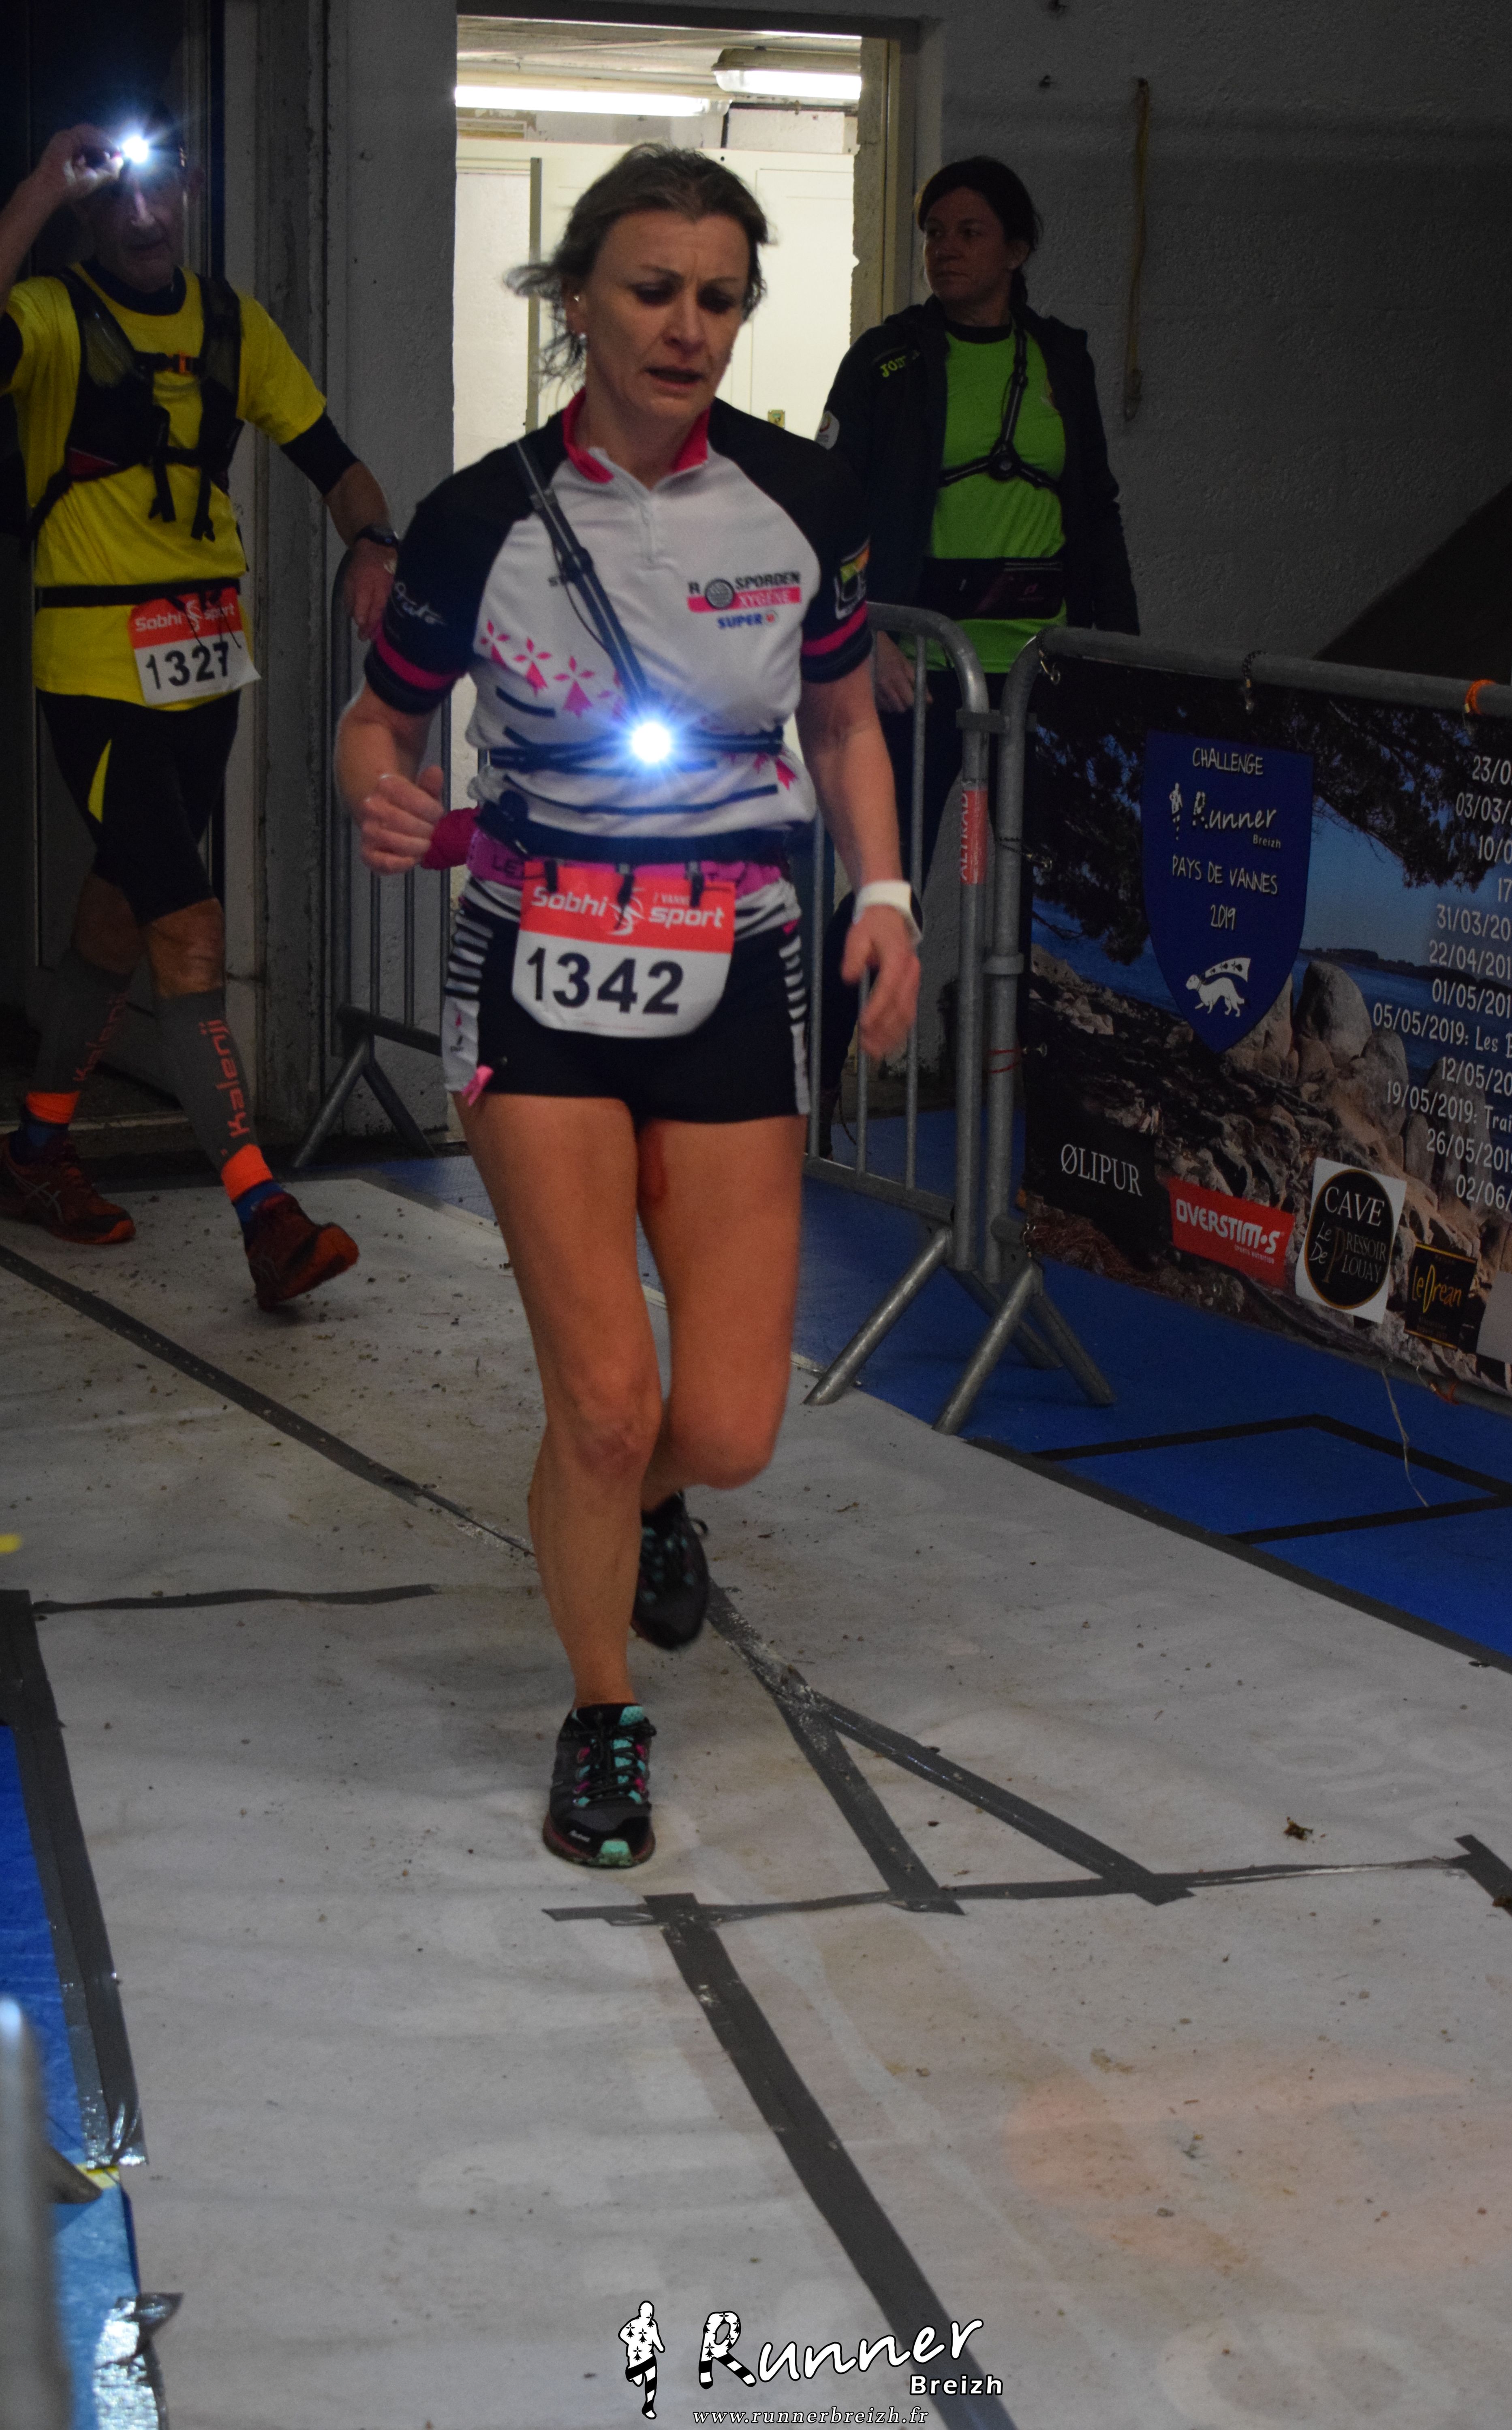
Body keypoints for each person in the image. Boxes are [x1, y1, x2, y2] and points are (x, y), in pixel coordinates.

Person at [335, 146, 918, 1868]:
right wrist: (382, 792)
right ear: (576, 299)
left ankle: (658, 1504)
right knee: (601, 1397)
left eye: (720, 298)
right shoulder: (477, 519)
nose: (688, 327)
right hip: (539, 968)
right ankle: (602, 1712)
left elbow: (843, 722)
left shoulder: (804, 501)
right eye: (653, 291)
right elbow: (380, 722)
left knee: (721, 1425)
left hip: (740, 967)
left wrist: (886, 897)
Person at [0, 110, 397, 1307]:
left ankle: (35, 1150)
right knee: (190, 927)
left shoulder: (232, 324)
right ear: (87, 210)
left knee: (121, 913)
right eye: (113, 194)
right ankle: (263, 1211)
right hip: (96, 674)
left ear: (190, 192)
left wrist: (372, 540)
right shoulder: (52, 315)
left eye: (160, 188)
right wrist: (36, 187)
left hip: (207, 671)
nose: (142, 213)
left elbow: (334, 460)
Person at [814, 154, 1138, 1118]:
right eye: (933, 233)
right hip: (916, 670)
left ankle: (1053, 1112)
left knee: (1052, 898)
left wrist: (1117, 656)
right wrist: (862, 630)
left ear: (1016, 249)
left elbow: (1095, 511)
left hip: (1037, 678)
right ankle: (805, 1090)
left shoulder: (1061, 360)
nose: (944, 250)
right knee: (888, 886)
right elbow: (827, 505)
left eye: (968, 232)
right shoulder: (887, 360)